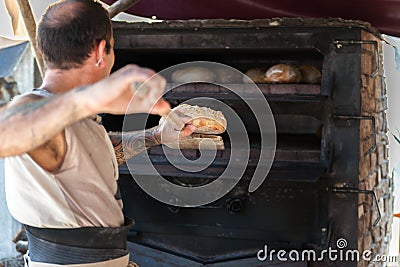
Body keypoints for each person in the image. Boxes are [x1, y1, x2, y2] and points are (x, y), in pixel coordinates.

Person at [0, 0, 195, 266]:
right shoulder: (33, 107)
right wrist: (92, 98)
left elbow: (91, 160)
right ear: (101, 50)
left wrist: (157, 136)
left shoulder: (71, 119)